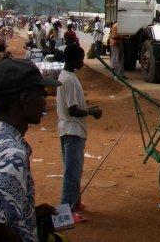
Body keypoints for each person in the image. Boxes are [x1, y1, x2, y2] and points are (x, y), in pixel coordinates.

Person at [0, 58, 61, 242]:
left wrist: (28, 215)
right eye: (41, 93)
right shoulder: (13, 154)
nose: (45, 98)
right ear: (24, 100)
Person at [57, 43, 102, 223]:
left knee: (74, 169)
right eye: (80, 58)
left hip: (67, 128)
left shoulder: (66, 76)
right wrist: (92, 112)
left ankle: (74, 203)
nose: (82, 62)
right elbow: (73, 110)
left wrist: (89, 108)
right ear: (73, 59)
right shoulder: (69, 80)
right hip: (72, 130)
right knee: (72, 172)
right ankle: (67, 210)